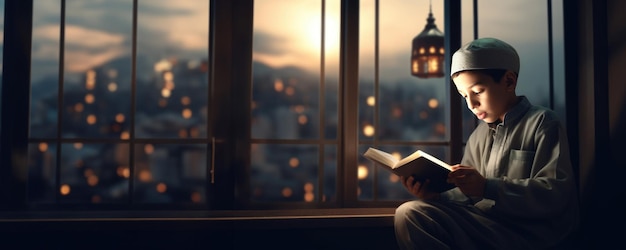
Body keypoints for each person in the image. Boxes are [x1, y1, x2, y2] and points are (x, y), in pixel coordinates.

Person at [394, 37, 579, 250]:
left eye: (478, 91)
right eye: (464, 95)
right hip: (487, 227)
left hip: (531, 234)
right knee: (410, 213)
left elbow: (554, 194)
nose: (471, 104)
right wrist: (435, 196)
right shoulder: (478, 135)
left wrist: (487, 186)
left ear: (509, 81)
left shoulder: (543, 122)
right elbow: (468, 196)